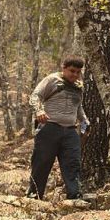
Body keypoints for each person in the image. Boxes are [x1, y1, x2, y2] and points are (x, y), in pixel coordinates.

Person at [27, 56, 90, 200]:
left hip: (70, 131)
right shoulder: (52, 80)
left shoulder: (79, 87)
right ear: (64, 68)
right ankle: (34, 196)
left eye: (78, 72)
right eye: (72, 71)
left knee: (73, 164)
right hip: (49, 128)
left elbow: (78, 107)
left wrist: (85, 122)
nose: (74, 75)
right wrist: (39, 111)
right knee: (41, 163)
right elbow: (35, 96)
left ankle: (75, 197)